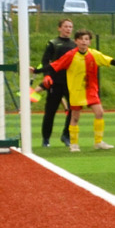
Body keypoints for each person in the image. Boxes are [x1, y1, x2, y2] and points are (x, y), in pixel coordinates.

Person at [44, 29, 115, 152]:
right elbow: (55, 65)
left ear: (90, 42)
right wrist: (36, 70)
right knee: (75, 117)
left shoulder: (94, 54)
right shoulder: (71, 55)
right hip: (76, 90)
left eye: (86, 39)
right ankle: (74, 144)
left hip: (90, 90)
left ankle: (98, 142)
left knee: (99, 113)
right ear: (76, 41)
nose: (84, 41)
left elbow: (110, 60)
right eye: (81, 39)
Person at [36, 19, 77, 147]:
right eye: (65, 26)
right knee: (50, 111)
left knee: (73, 110)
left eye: (70, 27)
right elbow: (45, 61)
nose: (68, 29)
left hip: (70, 82)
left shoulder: (75, 44)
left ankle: (66, 135)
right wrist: (47, 75)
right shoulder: (53, 43)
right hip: (55, 81)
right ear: (59, 28)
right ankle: (46, 139)